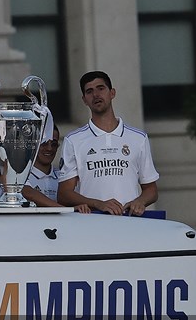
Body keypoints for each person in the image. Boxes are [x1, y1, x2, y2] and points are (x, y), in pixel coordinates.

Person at [57, 71, 159, 215]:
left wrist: (140, 201)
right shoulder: (73, 140)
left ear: (112, 93)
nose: (96, 95)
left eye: (101, 88)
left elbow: (151, 189)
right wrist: (97, 204)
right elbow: (64, 194)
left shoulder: (138, 138)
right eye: (89, 91)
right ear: (84, 99)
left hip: (130, 223)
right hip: (93, 224)